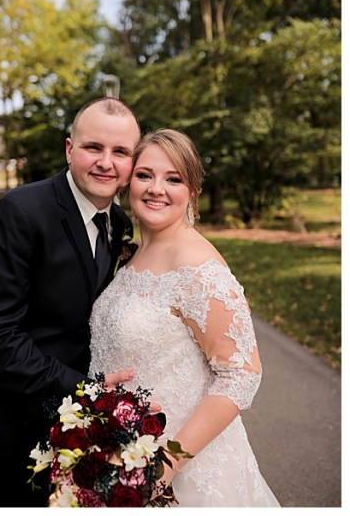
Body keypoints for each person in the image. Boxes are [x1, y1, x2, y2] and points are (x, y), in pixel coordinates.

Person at [88, 129, 279, 506]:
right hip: (115, 452)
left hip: (180, 469)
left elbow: (242, 374)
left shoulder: (198, 266)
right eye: (145, 175)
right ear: (129, 183)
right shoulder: (134, 252)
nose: (156, 188)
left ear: (192, 191)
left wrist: (165, 464)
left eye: (173, 179)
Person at [0, 97, 143, 507]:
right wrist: (85, 390)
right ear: (69, 149)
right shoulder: (20, 213)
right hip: (13, 435)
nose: (106, 162)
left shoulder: (118, 223)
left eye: (120, 152)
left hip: (82, 434)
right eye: (93, 148)